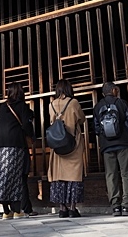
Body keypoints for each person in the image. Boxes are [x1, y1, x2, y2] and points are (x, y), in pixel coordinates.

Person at [93, 81, 128, 216]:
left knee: (110, 174)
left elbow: (96, 129)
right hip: (124, 143)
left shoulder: (97, 107)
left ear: (102, 93)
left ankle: (115, 206)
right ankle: (127, 205)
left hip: (107, 146)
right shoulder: (122, 103)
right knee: (126, 173)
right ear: (114, 90)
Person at [0, 82, 34, 219]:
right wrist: (32, 137)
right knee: (16, 177)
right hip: (15, 145)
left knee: (2, 177)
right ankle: (17, 210)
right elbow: (26, 125)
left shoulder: (2, 107)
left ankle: (5, 211)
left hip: (0, 146)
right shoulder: (22, 106)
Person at [47, 79, 86, 218]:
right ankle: (72, 208)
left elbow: (52, 121)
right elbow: (81, 119)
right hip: (73, 144)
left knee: (59, 176)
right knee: (74, 175)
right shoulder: (73, 103)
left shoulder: (51, 104)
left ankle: (62, 208)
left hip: (57, 146)